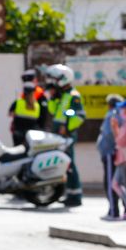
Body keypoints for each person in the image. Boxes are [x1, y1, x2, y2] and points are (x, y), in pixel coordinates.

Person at [45, 63, 85, 207]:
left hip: (67, 135)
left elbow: (79, 116)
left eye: (55, 79)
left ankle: (76, 196)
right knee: (62, 165)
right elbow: (53, 112)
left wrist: (67, 127)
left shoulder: (74, 96)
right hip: (58, 134)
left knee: (69, 164)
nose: (53, 82)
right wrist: (53, 98)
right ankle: (69, 193)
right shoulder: (62, 96)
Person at [97, 94, 124, 221]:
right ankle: (115, 209)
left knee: (110, 183)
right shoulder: (119, 114)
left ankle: (114, 210)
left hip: (110, 153)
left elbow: (109, 134)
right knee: (116, 182)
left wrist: (107, 148)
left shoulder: (113, 114)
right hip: (112, 153)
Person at [8, 71, 43, 146]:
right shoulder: (37, 105)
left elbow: (10, 113)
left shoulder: (18, 102)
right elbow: (40, 119)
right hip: (31, 134)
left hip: (18, 132)